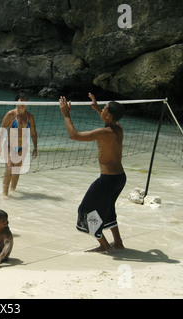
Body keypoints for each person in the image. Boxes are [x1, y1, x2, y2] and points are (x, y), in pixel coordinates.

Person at [59, 93, 126, 254]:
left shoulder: (104, 133)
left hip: (108, 180)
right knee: (108, 209)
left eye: (104, 109)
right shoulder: (117, 128)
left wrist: (66, 114)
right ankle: (118, 243)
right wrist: (97, 109)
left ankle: (105, 246)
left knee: (85, 210)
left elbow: (74, 135)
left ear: (109, 115)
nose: (102, 110)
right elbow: (109, 121)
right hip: (119, 178)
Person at [0, 93, 38, 198]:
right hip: (9, 145)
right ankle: (4, 194)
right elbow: (2, 129)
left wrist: (35, 147)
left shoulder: (30, 116)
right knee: (10, 168)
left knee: (17, 171)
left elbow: (33, 132)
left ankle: (13, 190)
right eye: (21, 100)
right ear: (16, 101)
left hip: (23, 147)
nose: (23, 103)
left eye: (25, 101)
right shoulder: (10, 114)